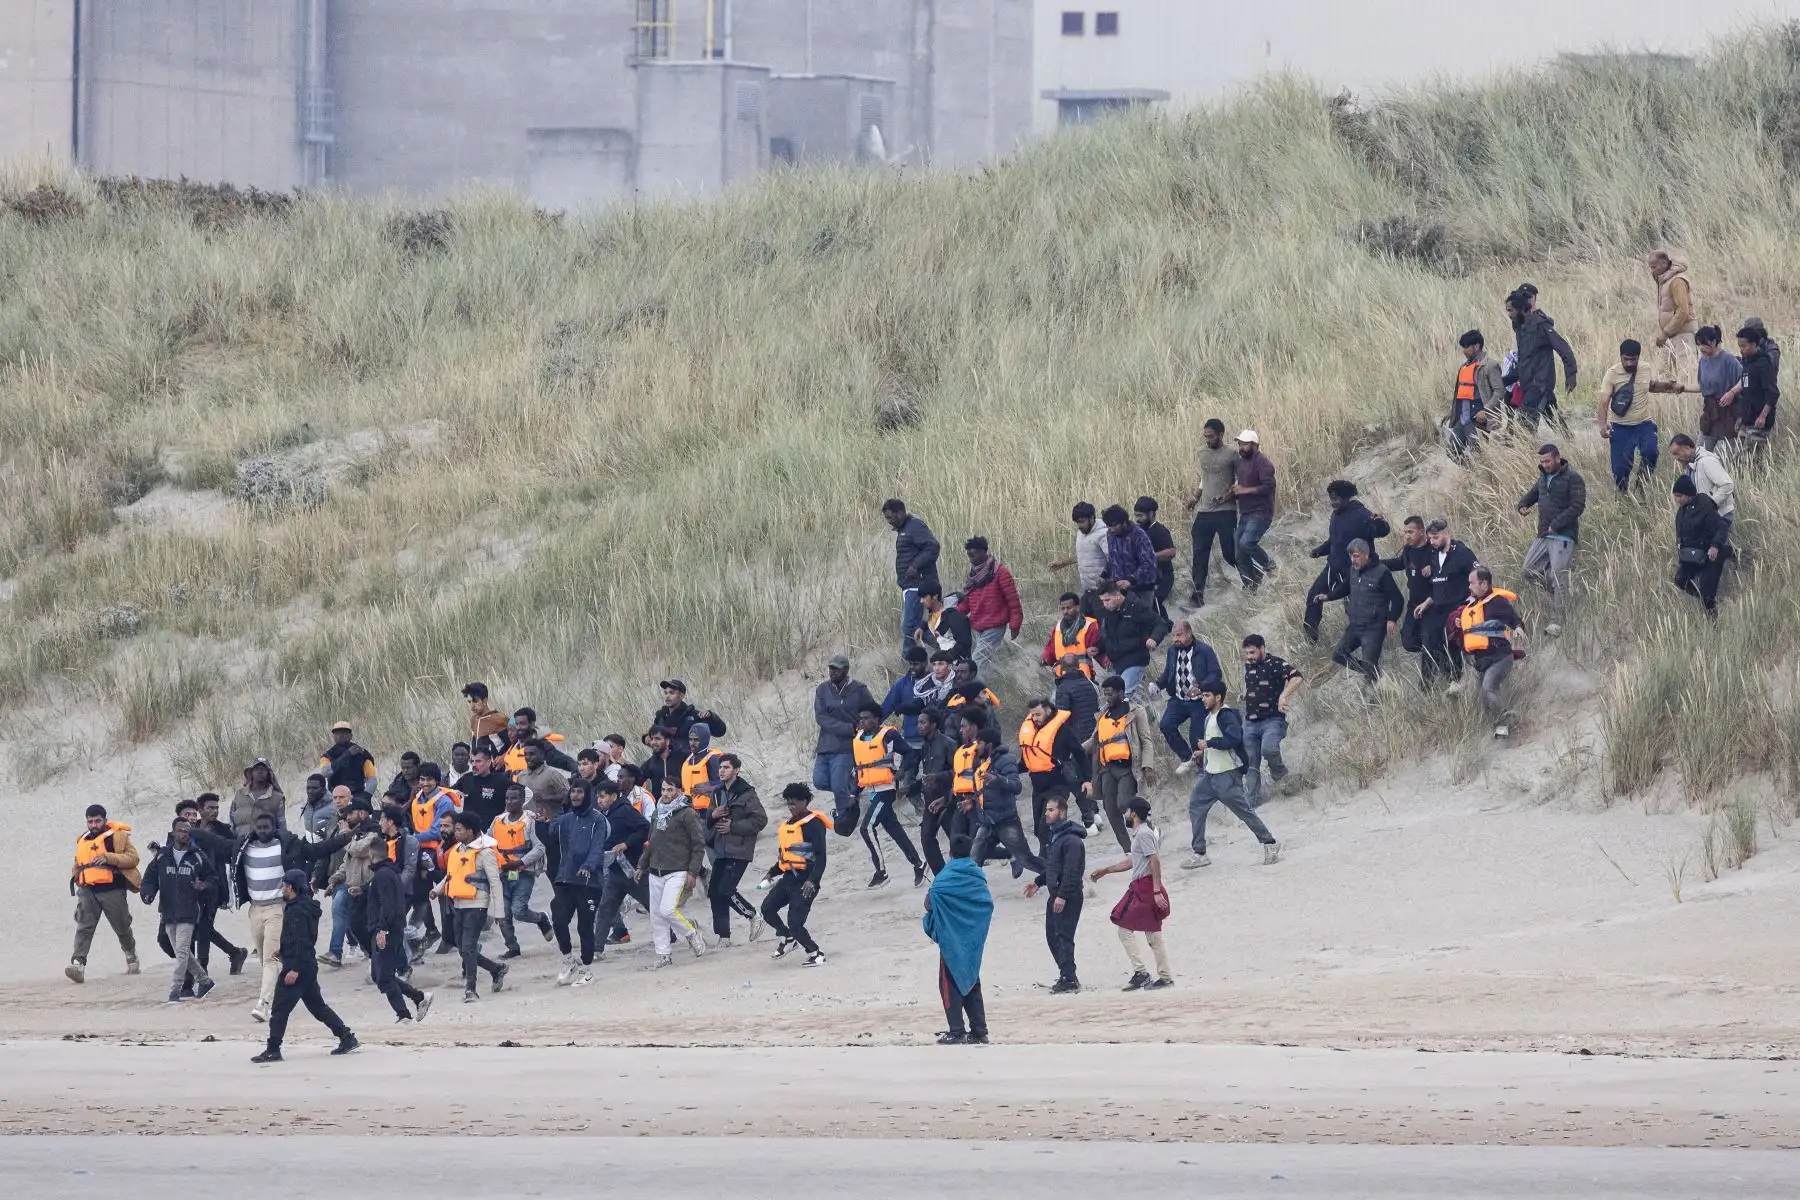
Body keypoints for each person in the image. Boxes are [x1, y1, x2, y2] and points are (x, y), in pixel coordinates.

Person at [191, 811, 350, 1021]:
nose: (263, 831)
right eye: (259, 828)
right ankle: (291, 986)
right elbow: (216, 842)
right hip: (255, 909)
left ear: (274, 827)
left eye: (267, 827)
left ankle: (263, 1004)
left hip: (278, 908)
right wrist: (191, 830)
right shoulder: (243, 846)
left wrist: (346, 837)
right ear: (254, 829)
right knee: (267, 958)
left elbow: (316, 851)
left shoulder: (288, 845)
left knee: (271, 957)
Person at [251, 870, 359, 1063]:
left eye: (284, 885)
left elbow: (303, 942)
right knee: (318, 1007)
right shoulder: (303, 906)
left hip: (297, 967)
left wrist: (295, 969)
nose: (282, 889)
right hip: (306, 965)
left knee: (279, 1009)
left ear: (291, 887)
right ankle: (347, 1037)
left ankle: (273, 1049)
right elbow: (299, 939)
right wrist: (283, 951)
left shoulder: (297, 910)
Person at [1184, 680, 1280, 868]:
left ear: (1218, 697)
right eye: (1202, 695)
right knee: (1195, 806)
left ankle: (1270, 843)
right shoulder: (1209, 717)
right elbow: (1216, 744)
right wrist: (1203, 752)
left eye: (1207, 695)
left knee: (1244, 812)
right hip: (1209, 775)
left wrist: (1209, 744)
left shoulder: (1226, 715)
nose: (1203, 699)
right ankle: (1200, 853)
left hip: (1227, 776)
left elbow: (1234, 739)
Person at [1090, 798, 1174, 990]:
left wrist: (1156, 890)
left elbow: (1155, 860)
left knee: (1125, 926)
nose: (1126, 814)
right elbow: (1133, 861)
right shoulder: (1140, 834)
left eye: (1128, 811)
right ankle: (1163, 975)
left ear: (1134, 813)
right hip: (1143, 886)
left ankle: (1142, 973)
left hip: (1145, 887)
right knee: (1152, 933)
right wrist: (1107, 870)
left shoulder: (1143, 834)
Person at [923, 835, 993, 1044]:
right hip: (972, 940)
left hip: (952, 939)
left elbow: (929, 903)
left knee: (948, 983)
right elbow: (986, 903)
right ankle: (980, 1031)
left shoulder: (946, 876)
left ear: (950, 853)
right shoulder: (977, 875)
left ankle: (956, 1031)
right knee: (972, 980)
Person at [1304, 480, 1390, 644]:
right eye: (1331, 498)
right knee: (1314, 596)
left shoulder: (1361, 514)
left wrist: (1380, 522)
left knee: (1353, 608)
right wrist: (1320, 551)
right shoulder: (1335, 516)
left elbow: (1382, 532)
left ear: (1346, 497)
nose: (1333, 502)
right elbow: (1334, 541)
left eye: (1336, 498)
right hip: (1333, 567)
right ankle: (1310, 638)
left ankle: (1364, 641)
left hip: (1355, 570)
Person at [541, 775, 608, 985]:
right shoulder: (565, 819)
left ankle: (586, 969)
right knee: (559, 920)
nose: (575, 795)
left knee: (585, 926)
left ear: (588, 795)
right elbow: (550, 836)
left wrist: (588, 866)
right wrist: (549, 819)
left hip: (589, 881)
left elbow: (598, 846)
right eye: (573, 791)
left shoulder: (598, 819)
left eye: (579, 791)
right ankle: (568, 960)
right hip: (565, 878)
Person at [139, 817, 214, 1003]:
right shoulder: (162, 856)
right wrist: (147, 894)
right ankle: (205, 981)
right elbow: (149, 878)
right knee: (183, 953)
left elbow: (213, 877)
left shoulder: (198, 856)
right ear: (173, 833)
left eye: (187, 831)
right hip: (168, 911)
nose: (184, 834)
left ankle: (175, 990)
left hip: (189, 912)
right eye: (180, 830)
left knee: (181, 952)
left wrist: (202, 885)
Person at [435, 813, 508, 1002]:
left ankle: (471, 989)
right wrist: (438, 889)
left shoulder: (485, 852)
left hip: (477, 905)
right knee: (463, 949)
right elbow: (451, 875)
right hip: (458, 903)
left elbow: (495, 883)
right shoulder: (458, 850)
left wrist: (499, 913)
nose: (456, 833)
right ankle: (496, 969)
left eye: (459, 829)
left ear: (471, 831)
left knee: (468, 947)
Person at [852, 706, 927, 888]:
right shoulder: (858, 739)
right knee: (894, 829)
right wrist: (854, 793)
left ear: (877, 719)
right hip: (871, 790)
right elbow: (859, 768)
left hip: (886, 789)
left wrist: (901, 771)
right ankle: (919, 864)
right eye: (860, 718)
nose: (862, 722)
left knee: (866, 828)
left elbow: (911, 753)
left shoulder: (888, 735)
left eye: (866, 718)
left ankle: (881, 872)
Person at [1518, 443, 1587, 635]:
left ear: (1558, 458)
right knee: (1528, 571)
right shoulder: (1543, 477)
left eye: (1548, 461)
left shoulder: (1573, 478)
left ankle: (1558, 622)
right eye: (1542, 461)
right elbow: (1533, 494)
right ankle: (1563, 593)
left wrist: (1556, 524)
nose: (1545, 464)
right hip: (1543, 534)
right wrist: (1523, 504)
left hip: (1564, 535)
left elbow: (1578, 506)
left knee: (1558, 576)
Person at [639, 780, 708, 967]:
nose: (665, 793)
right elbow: (650, 841)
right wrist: (641, 865)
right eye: (663, 789)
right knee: (656, 915)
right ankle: (664, 955)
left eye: (670, 789)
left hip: (677, 870)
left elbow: (698, 845)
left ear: (679, 791)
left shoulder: (687, 814)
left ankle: (691, 933)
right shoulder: (657, 812)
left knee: (667, 909)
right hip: (655, 870)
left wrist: (693, 872)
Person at [365, 835, 432, 1024]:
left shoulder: (383, 875)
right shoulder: (387, 873)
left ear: (371, 854)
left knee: (384, 976)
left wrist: (382, 930)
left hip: (387, 930)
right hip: (388, 928)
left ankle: (404, 1016)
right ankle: (418, 998)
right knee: (378, 975)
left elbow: (388, 906)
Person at [762, 783, 830, 966]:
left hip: (805, 882)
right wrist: (771, 872)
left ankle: (816, 953)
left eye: (794, 803)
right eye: (788, 804)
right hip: (788, 879)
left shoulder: (813, 824)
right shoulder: (788, 826)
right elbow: (787, 857)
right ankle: (787, 938)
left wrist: (813, 881)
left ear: (805, 801)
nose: (791, 807)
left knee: (795, 923)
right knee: (767, 909)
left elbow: (821, 856)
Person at [180, 797, 248, 978]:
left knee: (203, 927)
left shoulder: (223, 830)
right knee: (201, 927)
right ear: (200, 810)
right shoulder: (185, 830)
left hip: (213, 886)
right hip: (189, 887)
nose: (215, 811)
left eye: (217, 808)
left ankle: (202, 969)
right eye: (210, 808)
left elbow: (233, 852)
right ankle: (234, 952)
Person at [967, 727, 1046, 882]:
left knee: (1027, 860)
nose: (976, 746)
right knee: (974, 859)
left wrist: (997, 779)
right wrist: (972, 802)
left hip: (1006, 821)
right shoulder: (980, 762)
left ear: (989, 744)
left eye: (979, 743)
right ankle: (970, 894)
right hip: (987, 822)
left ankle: (1060, 876)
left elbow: (1016, 787)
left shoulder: (1006, 760)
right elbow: (984, 791)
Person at [705, 753, 768, 944]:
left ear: (736, 770)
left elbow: (760, 820)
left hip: (739, 849)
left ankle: (753, 915)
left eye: (726, 767)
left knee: (726, 890)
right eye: (720, 767)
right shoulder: (717, 792)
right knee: (714, 892)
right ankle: (723, 937)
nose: (722, 771)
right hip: (720, 847)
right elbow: (708, 818)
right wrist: (713, 815)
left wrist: (734, 827)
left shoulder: (747, 793)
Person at [1319, 539, 1403, 683]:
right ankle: (1370, 672)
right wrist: (1328, 596)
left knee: (1370, 663)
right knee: (1338, 654)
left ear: (1366, 554)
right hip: (1355, 625)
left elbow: (1397, 599)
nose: (1353, 560)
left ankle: (1374, 694)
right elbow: (1345, 587)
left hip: (1374, 628)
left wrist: (1392, 618)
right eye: (1351, 556)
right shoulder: (1353, 570)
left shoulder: (1382, 572)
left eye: (1356, 556)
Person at [1457, 566, 1525, 738]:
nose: (1469, 587)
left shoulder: (1497, 602)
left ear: (1484, 584)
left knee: (1489, 689)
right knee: (1484, 700)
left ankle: (1508, 721)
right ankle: (1501, 731)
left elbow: (1514, 619)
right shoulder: (1472, 606)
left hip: (1500, 657)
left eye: (1472, 583)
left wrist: (1518, 628)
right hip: (1481, 661)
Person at [813, 654, 878, 831]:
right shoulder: (822, 689)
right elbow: (821, 717)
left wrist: (865, 729)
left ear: (846, 670)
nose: (832, 672)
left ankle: (845, 820)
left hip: (847, 747)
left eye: (836, 668)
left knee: (838, 783)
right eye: (830, 668)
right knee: (818, 781)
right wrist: (848, 728)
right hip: (826, 744)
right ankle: (853, 791)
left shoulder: (859, 689)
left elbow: (873, 710)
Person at [1029, 794, 1086, 994]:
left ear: (1062, 812)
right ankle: (1066, 974)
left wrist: (1062, 895)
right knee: (1053, 936)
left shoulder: (1072, 840)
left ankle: (1070, 978)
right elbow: (1054, 867)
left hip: (1068, 895)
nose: (1047, 814)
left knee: (1064, 935)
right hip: (1056, 894)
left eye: (1051, 810)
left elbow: (1071, 872)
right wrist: (1038, 882)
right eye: (1046, 810)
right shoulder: (1057, 837)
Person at [1087, 675, 1150, 853]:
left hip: (1127, 768)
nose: (1107, 698)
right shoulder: (1102, 715)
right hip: (1106, 769)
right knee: (1110, 808)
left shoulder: (1136, 712)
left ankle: (1148, 828)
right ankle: (1128, 849)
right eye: (1105, 694)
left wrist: (1148, 765)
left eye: (1110, 694)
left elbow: (1146, 741)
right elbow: (1095, 741)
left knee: (1124, 804)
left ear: (1121, 692)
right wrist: (1074, 749)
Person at [591, 776, 652, 960]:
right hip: (616, 872)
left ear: (614, 796)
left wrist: (626, 843)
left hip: (634, 871)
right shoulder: (603, 814)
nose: (600, 800)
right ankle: (596, 949)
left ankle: (674, 936)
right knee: (605, 909)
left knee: (654, 907)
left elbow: (645, 828)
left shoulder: (625, 811)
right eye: (598, 797)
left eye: (603, 796)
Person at [490, 782, 552, 957]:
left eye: (514, 798)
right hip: (502, 873)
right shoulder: (497, 821)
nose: (510, 801)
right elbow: (487, 842)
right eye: (507, 798)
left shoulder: (530, 821)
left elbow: (540, 848)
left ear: (523, 800)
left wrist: (519, 862)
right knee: (503, 913)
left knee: (518, 910)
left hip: (524, 871)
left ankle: (541, 919)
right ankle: (512, 947)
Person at [1019, 698, 1087, 854]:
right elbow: (1025, 763)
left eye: (1038, 714)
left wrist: (1086, 779)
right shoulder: (1032, 733)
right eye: (1032, 715)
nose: (1035, 719)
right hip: (1038, 786)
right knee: (1038, 830)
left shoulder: (1062, 731)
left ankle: (1049, 864)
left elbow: (1080, 753)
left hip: (1058, 784)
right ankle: (1056, 856)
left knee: (1047, 827)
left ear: (1048, 711)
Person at [1240, 636, 1302, 807]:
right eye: (1246, 653)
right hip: (1250, 722)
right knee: (1251, 761)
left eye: (1252, 652)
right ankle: (1251, 802)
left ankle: (1282, 777)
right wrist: (1246, 693)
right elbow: (1252, 684)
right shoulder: (1248, 666)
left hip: (1272, 720)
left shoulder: (1276, 664)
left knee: (1269, 749)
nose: (1249, 656)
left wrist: (1284, 695)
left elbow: (1297, 677)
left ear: (1262, 648)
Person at [1504, 284, 1578, 426]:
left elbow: (1564, 349)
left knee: (1526, 425)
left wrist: (1571, 375)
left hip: (1540, 384)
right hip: (1529, 383)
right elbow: (1525, 358)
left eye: (1511, 310)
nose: (1509, 315)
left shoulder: (1541, 325)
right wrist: (1507, 379)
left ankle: (1527, 448)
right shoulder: (1520, 327)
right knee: (1555, 423)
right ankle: (1569, 444)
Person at [1416, 520, 1478, 688]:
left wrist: (1472, 600)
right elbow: (1438, 584)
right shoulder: (1433, 555)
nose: (1432, 541)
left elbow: (1477, 576)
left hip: (1457, 607)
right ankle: (1426, 687)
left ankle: (1455, 681)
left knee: (1449, 642)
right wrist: (1426, 602)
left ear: (1446, 534)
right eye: (1430, 538)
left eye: (1435, 537)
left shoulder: (1463, 552)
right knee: (1428, 643)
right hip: (1437, 607)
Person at [1185, 419, 1240, 607]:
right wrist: (1195, 497)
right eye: (1205, 436)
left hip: (1226, 510)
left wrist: (1227, 495)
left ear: (1221, 434)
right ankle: (1197, 593)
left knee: (1229, 553)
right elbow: (1205, 477)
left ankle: (1251, 577)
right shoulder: (1202, 453)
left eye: (1211, 436)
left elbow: (1241, 479)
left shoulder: (1233, 454)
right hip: (1205, 510)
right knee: (1200, 553)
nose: (1208, 440)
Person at [1660, 326, 1742, 451]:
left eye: (1704, 344)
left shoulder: (1728, 360)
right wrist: (1683, 388)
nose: (1701, 348)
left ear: (1714, 342)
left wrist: (1732, 393)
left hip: (1728, 414)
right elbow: (1702, 386)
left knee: (1720, 456)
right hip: (1710, 413)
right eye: (1698, 344)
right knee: (1700, 453)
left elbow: (1746, 379)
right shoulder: (1703, 361)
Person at [1154, 619, 1223, 765]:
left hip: (1199, 701)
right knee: (1166, 725)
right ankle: (1187, 759)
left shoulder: (1204, 650)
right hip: (1178, 700)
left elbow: (1215, 673)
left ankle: (1201, 767)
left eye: (1179, 635)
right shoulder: (1172, 650)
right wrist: (1158, 685)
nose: (1176, 639)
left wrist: (1202, 687)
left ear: (1189, 633)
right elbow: (1169, 672)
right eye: (1173, 636)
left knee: (1196, 739)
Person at [1597, 339, 1659, 492]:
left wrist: (1671, 387)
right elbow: (1603, 402)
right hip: (1621, 426)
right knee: (1620, 470)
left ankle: (1641, 487)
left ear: (1639, 357)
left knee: (1651, 452)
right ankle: (1623, 497)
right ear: (1620, 357)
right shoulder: (1612, 374)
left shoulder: (1645, 368)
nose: (1630, 363)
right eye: (1626, 359)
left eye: (1634, 359)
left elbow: (1649, 386)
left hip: (1644, 424)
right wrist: (1602, 426)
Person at [883, 498, 941, 656]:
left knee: (909, 626)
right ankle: (947, 647)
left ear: (900, 513)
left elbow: (933, 546)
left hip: (918, 584)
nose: (889, 522)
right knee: (913, 626)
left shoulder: (914, 526)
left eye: (890, 517)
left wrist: (915, 565)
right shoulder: (904, 529)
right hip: (910, 585)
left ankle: (909, 660)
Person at [957, 536, 1024, 671]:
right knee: (984, 664)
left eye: (973, 555)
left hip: (995, 625)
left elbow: (1013, 600)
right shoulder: (972, 577)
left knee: (976, 663)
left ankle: (972, 690)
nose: (971, 559)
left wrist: (1015, 623)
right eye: (969, 556)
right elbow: (967, 602)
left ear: (984, 552)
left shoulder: (1000, 573)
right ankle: (990, 687)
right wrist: (952, 614)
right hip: (978, 625)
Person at [1672, 475, 1732, 616]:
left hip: (1710, 555)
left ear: (1688, 494)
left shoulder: (1705, 506)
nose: (1677, 499)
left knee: (1708, 593)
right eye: (1675, 496)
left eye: (1679, 496)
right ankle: (1702, 601)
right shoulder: (1682, 511)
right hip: (1691, 555)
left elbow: (1721, 527)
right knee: (1681, 580)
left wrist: (1715, 546)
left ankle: (1713, 620)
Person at [1097, 583, 1170, 695]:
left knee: (1124, 695)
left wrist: (1154, 639)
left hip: (1135, 659)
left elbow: (1160, 624)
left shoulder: (1136, 607)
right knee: (1114, 697)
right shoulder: (1106, 612)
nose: (1105, 604)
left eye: (1107, 600)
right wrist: (1098, 649)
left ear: (1117, 595)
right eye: (1102, 601)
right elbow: (1106, 635)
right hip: (1115, 662)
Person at [1721, 323, 1780, 459]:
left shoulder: (1764, 365)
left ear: (1754, 344)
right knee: (1737, 459)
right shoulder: (1747, 363)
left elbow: (1773, 393)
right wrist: (1742, 416)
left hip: (1759, 420)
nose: (1741, 350)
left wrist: (1763, 416)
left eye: (1744, 346)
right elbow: (1746, 388)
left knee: (1752, 460)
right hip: (1747, 418)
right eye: (1739, 346)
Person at [914, 708, 960, 876]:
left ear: (933, 724)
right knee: (927, 839)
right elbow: (927, 776)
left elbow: (958, 772)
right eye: (918, 722)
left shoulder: (949, 744)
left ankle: (969, 877)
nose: (918, 726)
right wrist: (910, 788)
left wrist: (938, 777)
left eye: (923, 722)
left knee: (956, 843)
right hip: (930, 802)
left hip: (947, 800)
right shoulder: (925, 745)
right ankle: (942, 877)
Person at [1230, 430, 1278, 590]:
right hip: (1245, 512)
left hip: (1261, 512)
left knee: (1246, 543)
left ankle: (1269, 565)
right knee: (1238, 553)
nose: (1241, 447)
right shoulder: (1242, 463)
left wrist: (1245, 490)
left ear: (1255, 445)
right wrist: (1234, 492)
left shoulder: (1264, 463)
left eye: (1245, 444)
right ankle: (1252, 583)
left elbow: (1268, 487)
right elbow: (1242, 485)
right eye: (1239, 444)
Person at [1048, 501, 1112, 614]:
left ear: (1092, 518)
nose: (1080, 526)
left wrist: (1106, 581)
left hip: (1103, 592)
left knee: (1101, 627)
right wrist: (1063, 563)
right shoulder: (1081, 532)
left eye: (1082, 522)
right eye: (1077, 522)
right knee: (1084, 625)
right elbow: (1085, 555)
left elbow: (1112, 559)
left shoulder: (1103, 534)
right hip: (1087, 590)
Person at [1449, 329, 1506, 456]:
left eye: (1466, 347)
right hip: (1462, 417)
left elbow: (1500, 391)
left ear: (1476, 346)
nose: (1464, 350)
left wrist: (1486, 411)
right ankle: (1470, 473)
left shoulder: (1490, 365)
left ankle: (1480, 475)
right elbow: (1460, 393)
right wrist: (1452, 413)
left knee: (1478, 454)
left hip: (1478, 418)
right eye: (1463, 347)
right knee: (1452, 451)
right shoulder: (1464, 367)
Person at [1385, 516, 1433, 659]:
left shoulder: (1433, 550)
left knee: (1428, 640)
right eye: (1405, 532)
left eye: (1410, 532)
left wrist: (1433, 567)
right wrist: (1376, 564)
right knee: (1408, 641)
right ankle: (1435, 650)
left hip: (1431, 602)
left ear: (1422, 532)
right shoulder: (1408, 550)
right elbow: (1400, 563)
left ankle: (1434, 658)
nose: (1407, 536)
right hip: (1414, 602)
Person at [1670, 434, 1735, 534]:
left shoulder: (1707, 462)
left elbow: (1728, 485)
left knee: (1722, 548)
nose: (1675, 458)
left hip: (1720, 516)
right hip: (1707, 517)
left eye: (1676, 453)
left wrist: (1711, 503)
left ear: (1687, 448)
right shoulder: (1690, 465)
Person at [1101, 504, 1159, 601]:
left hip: (1140, 590)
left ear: (1124, 522)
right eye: (1108, 526)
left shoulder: (1139, 535)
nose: (1111, 529)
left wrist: (1131, 580)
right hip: (1118, 590)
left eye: (1114, 526)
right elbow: (1112, 558)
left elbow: (1149, 564)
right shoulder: (1110, 534)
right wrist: (1103, 575)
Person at [1647, 251, 1697, 364]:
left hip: (1683, 335)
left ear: (1664, 264)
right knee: (1665, 375)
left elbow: (1683, 311)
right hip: (1671, 336)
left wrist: (1665, 333)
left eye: (1654, 267)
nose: (1652, 271)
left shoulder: (1677, 281)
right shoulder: (1665, 281)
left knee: (1685, 372)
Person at [1132, 496, 1178, 614]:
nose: (1137, 519)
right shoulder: (1138, 531)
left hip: (1163, 577)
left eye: (1140, 516)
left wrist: (1150, 556)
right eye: (1136, 515)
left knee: (1154, 602)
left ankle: (1166, 627)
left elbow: (1172, 551)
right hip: (1146, 577)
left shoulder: (1160, 531)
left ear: (1151, 514)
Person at [648, 679, 728, 748]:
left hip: (687, 762)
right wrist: (646, 738)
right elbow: (652, 737)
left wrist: (711, 717)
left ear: (681, 695)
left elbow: (720, 732)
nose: (667, 696)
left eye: (672, 693)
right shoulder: (661, 716)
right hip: (662, 761)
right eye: (665, 693)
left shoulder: (693, 716)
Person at [1041, 592, 1100, 680]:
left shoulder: (1090, 625)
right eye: (1063, 608)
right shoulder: (1058, 626)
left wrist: (1098, 651)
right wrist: (1045, 657)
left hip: (1084, 678)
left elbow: (1099, 647)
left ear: (1078, 607)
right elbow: (1052, 647)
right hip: (1061, 678)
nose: (1065, 611)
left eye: (1069, 608)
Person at [457, 746, 513, 831]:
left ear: (489, 762)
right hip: (469, 833)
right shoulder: (467, 778)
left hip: (492, 832)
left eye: (478, 761)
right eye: (472, 761)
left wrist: (507, 813)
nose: (474, 765)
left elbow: (526, 793)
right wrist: (455, 793)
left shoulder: (501, 780)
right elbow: (446, 792)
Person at [913, 584, 974, 660]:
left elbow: (964, 642)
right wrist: (922, 627)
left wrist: (947, 658)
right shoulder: (930, 614)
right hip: (946, 663)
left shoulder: (952, 613)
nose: (921, 601)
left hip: (960, 663)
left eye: (924, 597)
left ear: (935, 596)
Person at [319, 721, 378, 799]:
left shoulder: (362, 754)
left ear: (351, 736)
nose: (341, 735)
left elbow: (372, 779)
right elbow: (325, 773)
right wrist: (347, 755)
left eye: (345, 733)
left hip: (356, 796)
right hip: (335, 799)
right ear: (333, 736)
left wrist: (366, 797)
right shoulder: (327, 755)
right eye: (337, 733)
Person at [230, 759, 286, 839]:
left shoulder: (277, 797)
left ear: (269, 773)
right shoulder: (239, 794)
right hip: (240, 843)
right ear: (251, 773)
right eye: (256, 769)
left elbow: (281, 825)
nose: (260, 771)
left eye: (263, 769)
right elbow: (231, 821)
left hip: (266, 845)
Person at [514, 741, 571, 813]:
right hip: (527, 822)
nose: (528, 757)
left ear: (541, 754)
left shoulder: (553, 774)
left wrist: (547, 798)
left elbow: (569, 796)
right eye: (525, 754)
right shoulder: (520, 776)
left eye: (532, 754)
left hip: (550, 822)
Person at [678, 725, 725, 812]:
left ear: (704, 740)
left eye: (696, 740)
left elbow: (724, 784)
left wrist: (709, 788)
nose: (692, 743)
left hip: (708, 811)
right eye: (690, 739)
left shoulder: (713, 759)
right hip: (688, 810)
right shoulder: (688, 760)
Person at [296, 774, 334, 841]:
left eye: (314, 788)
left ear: (323, 789)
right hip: (312, 848)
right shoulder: (306, 805)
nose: (310, 791)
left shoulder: (334, 806)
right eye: (308, 788)